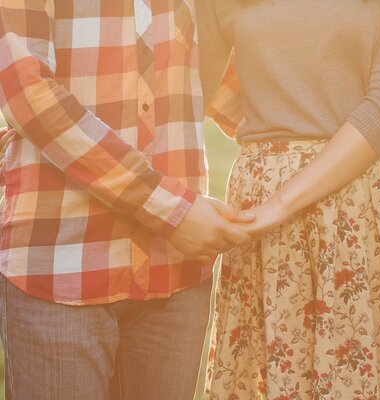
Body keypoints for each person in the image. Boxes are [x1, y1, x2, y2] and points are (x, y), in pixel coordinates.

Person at [198, 0, 380, 399]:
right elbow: (189, 92)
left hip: (361, 205)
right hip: (264, 206)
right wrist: (276, 139)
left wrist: (283, 195)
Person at [0, 1, 251, 399]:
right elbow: (26, 91)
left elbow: (224, 87)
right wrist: (171, 210)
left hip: (175, 274)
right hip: (62, 263)